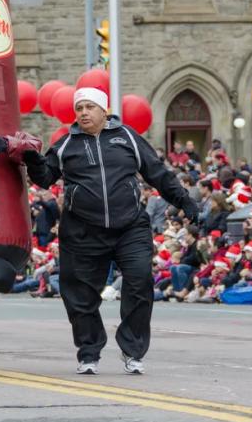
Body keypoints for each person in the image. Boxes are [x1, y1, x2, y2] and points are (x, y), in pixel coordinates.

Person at [19, 87, 197, 376]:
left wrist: (184, 201)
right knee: (79, 294)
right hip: (82, 230)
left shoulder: (126, 137)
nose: (84, 113)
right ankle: (89, 351)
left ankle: (133, 349)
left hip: (129, 227)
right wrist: (34, 161)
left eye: (90, 107)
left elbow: (157, 172)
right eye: (80, 108)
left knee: (139, 281)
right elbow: (45, 178)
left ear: (104, 111)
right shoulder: (66, 145)